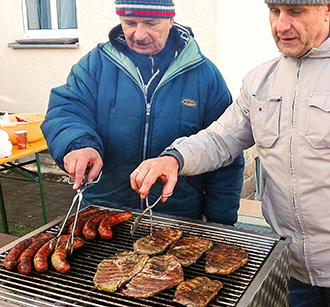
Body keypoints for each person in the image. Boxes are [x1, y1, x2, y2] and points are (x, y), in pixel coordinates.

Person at [132, 0, 330, 306]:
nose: (281, 25)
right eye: (275, 11)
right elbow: (220, 138)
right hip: (287, 264)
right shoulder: (260, 81)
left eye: (296, 11)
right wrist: (174, 158)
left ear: (328, 9)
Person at [41, 0, 245, 225]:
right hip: (101, 213)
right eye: (129, 23)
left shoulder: (204, 75)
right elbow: (66, 111)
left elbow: (225, 151)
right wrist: (78, 144)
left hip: (178, 220)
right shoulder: (95, 65)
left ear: (170, 19)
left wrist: (221, 223)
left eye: (150, 23)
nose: (139, 34)